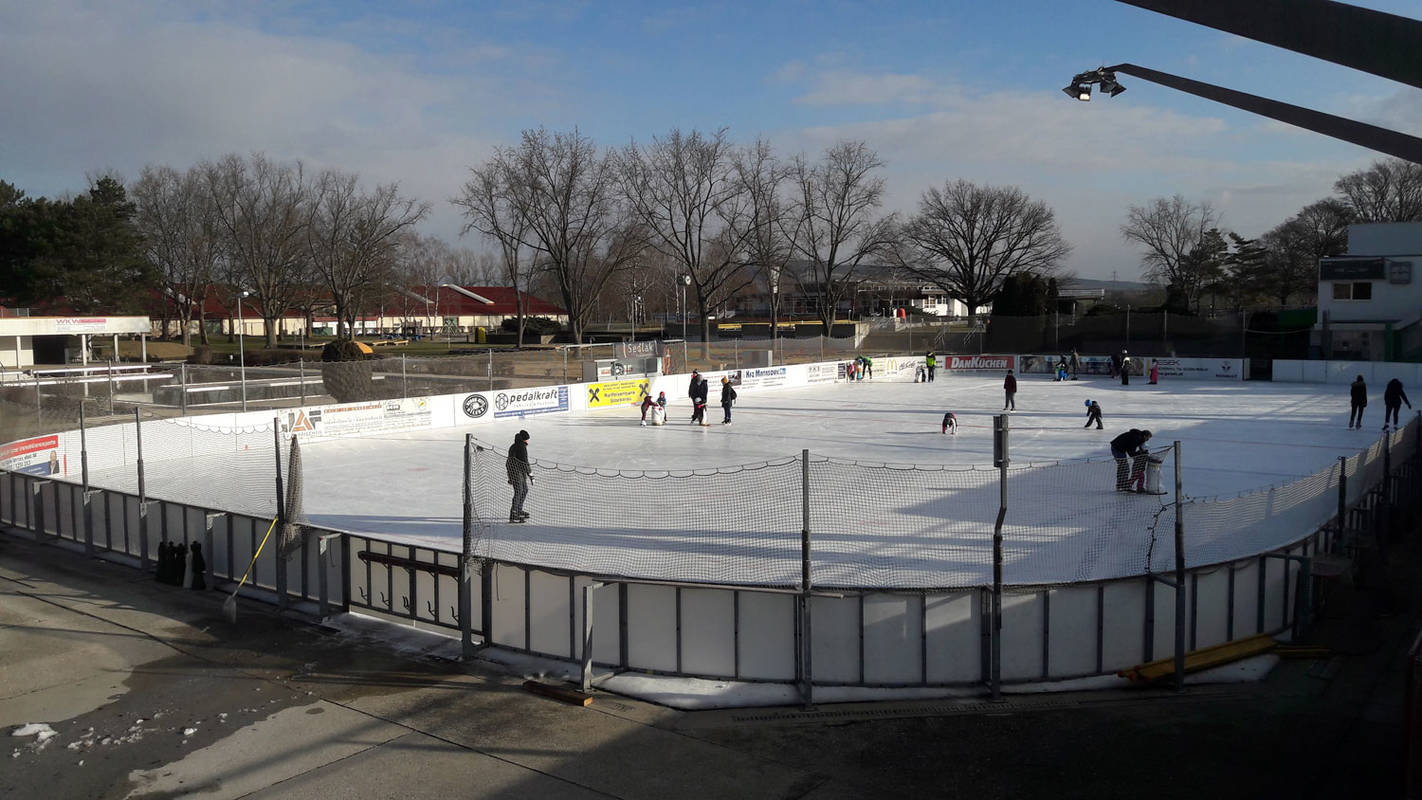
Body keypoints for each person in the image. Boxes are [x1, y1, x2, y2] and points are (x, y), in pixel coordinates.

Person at [506, 430, 533, 523]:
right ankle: (513, 514)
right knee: (519, 492)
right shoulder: (521, 447)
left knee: (524, 490)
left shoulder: (514, 446)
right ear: (524, 440)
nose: (527, 442)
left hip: (518, 472)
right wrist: (531, 475)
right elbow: (525, 462)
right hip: (516, 473)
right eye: (527, 440)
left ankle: (518, 510)